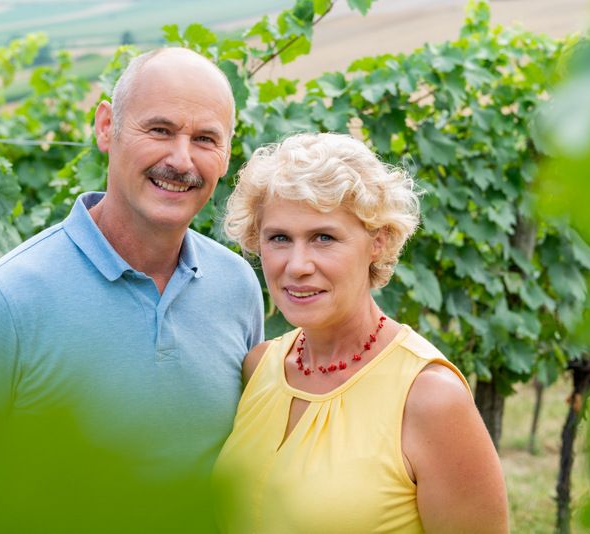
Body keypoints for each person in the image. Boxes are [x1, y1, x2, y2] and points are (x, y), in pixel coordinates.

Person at [0, 48, 264, 493]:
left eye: (205, 139)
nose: (182, 160)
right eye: (160, 130)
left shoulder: (236, 285)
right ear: (107, 127)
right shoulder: (2, 301)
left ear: (226, 153)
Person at [213, 132, 508, 533]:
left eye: (324, 238)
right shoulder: (259, 367)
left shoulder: (430, 399)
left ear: (378, 242)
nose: (297, 264)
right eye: (279, 238)